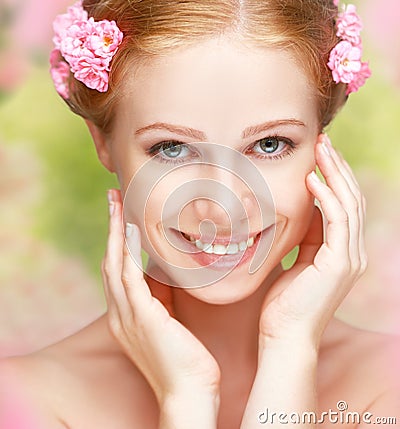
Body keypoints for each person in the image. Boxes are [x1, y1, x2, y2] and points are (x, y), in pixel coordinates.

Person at [0, 0, 399, 428]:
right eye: (172, 148)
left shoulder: (386, 387)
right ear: (103, 142)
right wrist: (185, 399)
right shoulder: (25, 400)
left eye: (269, 144)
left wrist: (291, 350)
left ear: (321, 142)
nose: (222, 206)